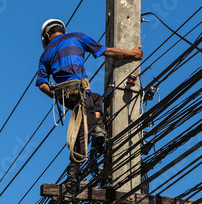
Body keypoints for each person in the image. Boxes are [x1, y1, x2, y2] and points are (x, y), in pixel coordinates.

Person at [36, 19, 143, 185]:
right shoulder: (78, 37)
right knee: (84, 128)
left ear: (47, 36)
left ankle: (99, 127)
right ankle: (73, 173)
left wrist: (56, 95)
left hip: (67, 95)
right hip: (79, 90)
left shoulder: (45, 54)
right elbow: (107, 51)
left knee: (97, 99)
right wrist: (131, 54)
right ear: (63, 30)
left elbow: (42, 85)